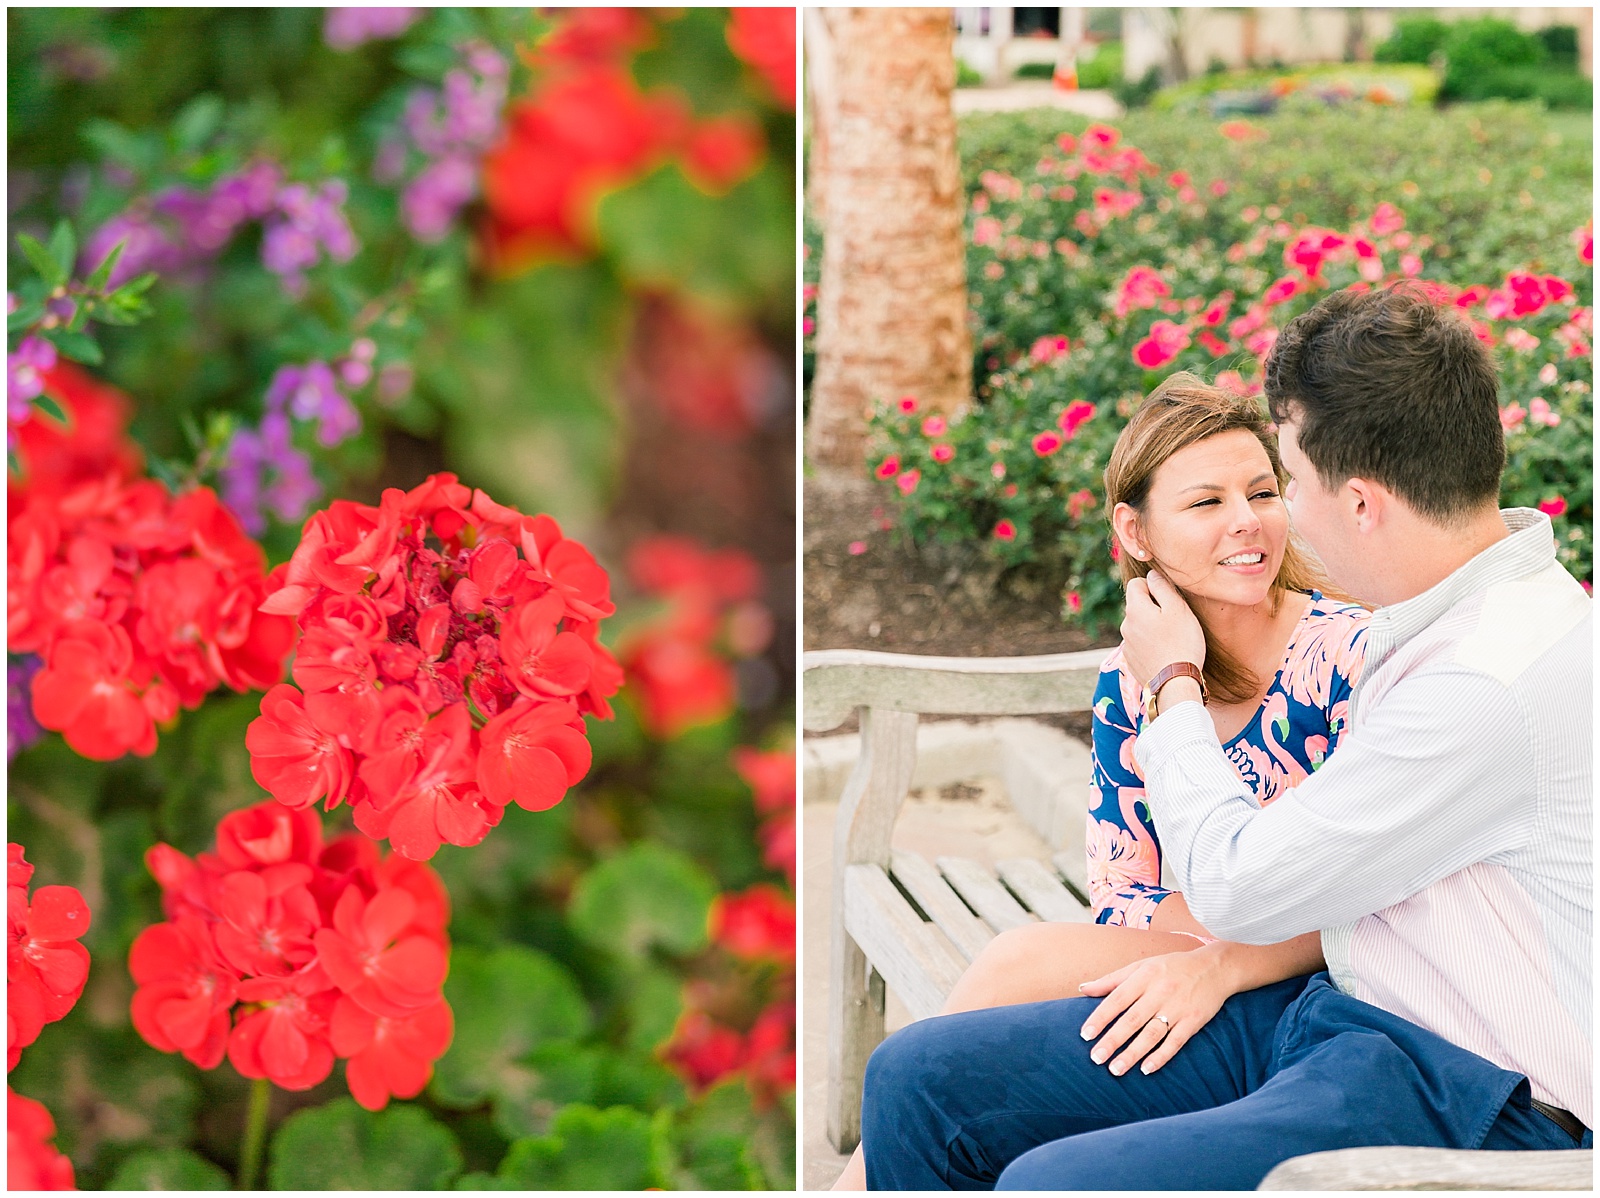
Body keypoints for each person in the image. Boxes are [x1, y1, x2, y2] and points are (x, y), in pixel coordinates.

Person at [860, 284, 1591, 1189]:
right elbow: (1138, 880)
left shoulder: (1478, 683)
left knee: (1052, 1184)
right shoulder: (1449, 620)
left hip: (1473, 1087)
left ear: (1358, 502)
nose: (1273, 520)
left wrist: (1173, 679)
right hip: (1350, 1013)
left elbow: (1243, 888)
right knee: (918, 1079)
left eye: (1284, 481)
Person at [830, 374, 1368, 1191]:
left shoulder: (1347, 656)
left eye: (1263, 490)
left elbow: (1371, 887)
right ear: (1136, 529)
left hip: (1335, 978)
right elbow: (1122, 887)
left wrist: (1224, 925)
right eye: (1205, 503)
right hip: (1208, 944)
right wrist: (1219, 915)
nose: (1246, 520)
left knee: (1012, 971)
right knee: (1007, 986)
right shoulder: (1132, 678)